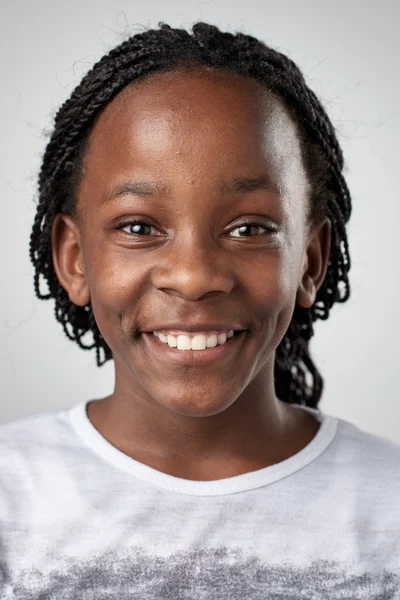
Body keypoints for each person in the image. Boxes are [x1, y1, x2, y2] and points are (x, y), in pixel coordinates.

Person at [1, 21, 399, 598]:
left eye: (249, 228)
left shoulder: (387, 507)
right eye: (138, 227)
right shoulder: (12, 496)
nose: (193, 277)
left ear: (310, 261)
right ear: (74, 258)